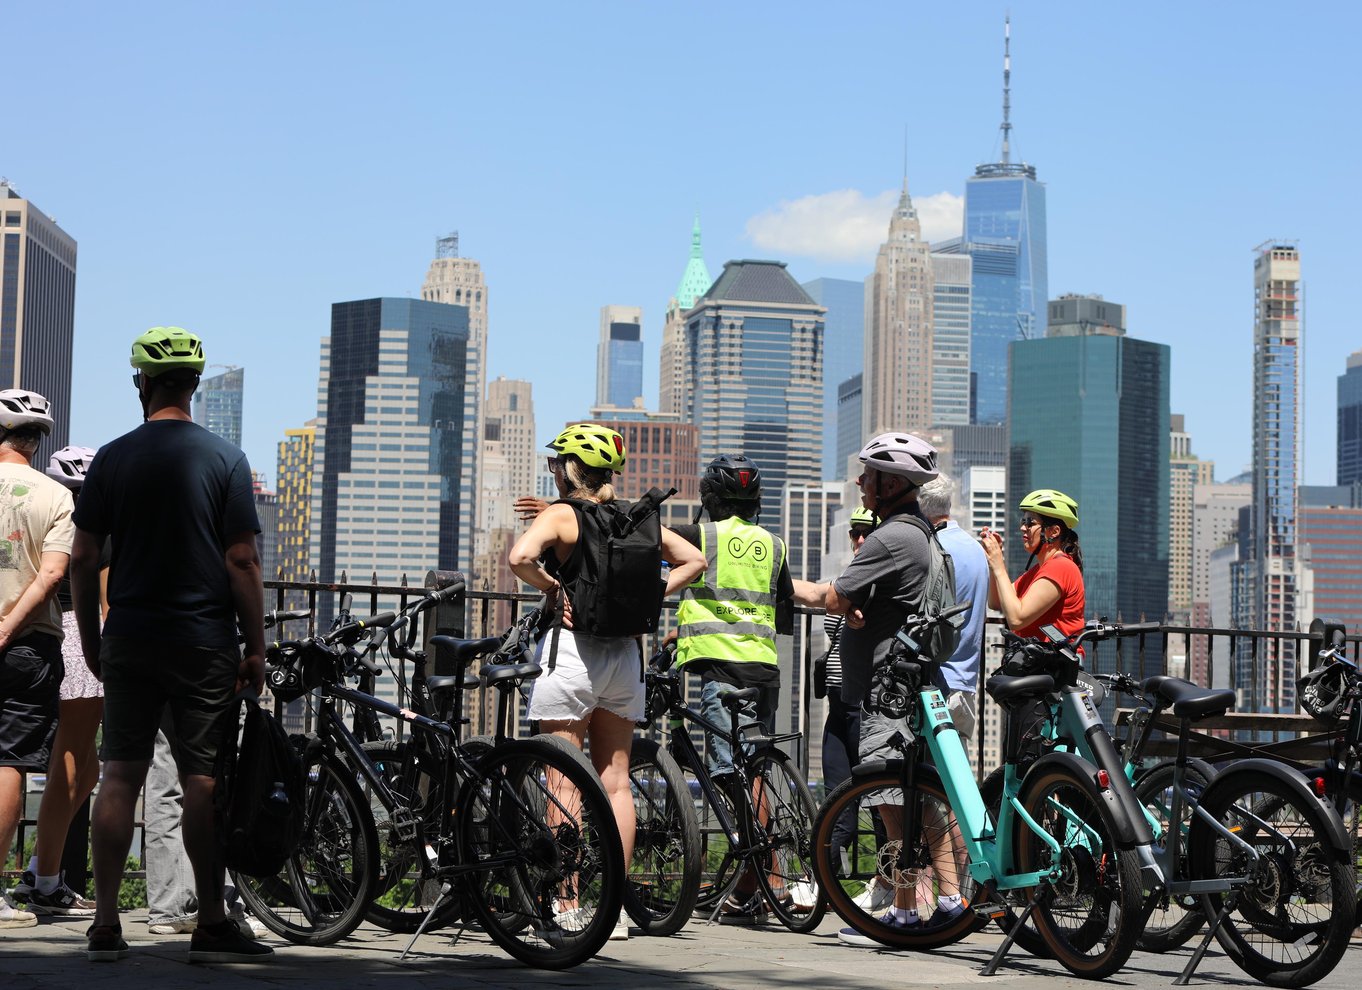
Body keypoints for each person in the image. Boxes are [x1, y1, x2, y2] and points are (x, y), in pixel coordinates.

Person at [71, 326, 271, 963]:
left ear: (143, 384)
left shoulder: (111, 459)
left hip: (129, 634)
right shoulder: (225, 460)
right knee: (202, 783)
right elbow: (242, 559)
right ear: (194, 385)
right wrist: (256, 646)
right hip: (203, 641)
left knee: (120, 775)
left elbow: (82, 559)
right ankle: (211, 919)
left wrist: (92, 638)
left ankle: (105, 922)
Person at [508, 424, 705, 942]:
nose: (551, 470)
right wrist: (653, 590)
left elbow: (518, 559)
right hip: (625, 657)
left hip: (572, 655)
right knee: (616, 781)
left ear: (570, 469)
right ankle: (612, 909)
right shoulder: (636, 517)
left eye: (555, 463)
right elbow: (695, 561)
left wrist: (556, 588)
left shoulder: (562, 516)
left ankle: (568, 905)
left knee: (563, 780)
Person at [814, 432, 967, 944]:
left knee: (892, 807)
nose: (860, 482)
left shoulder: (889, 537)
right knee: (920, 804)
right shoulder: (923, 533)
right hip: (914, 684)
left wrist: (780, 581)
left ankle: (902, 916)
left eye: (868, 475)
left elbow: (832, 595)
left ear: (891, 483)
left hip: (887, 692)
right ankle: (949, 899)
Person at [670, 454, 824, 923]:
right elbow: (778, 609)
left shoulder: (700, 536)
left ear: (710, 499)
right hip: (764, 668)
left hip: (721, 669)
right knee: (753, 769)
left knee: (728, 774)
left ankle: (765, 878)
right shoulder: (774, 545)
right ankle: (757, 881)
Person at [10, 446, 101, 917]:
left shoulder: (37, 508)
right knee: (72, 766)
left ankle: (42, 875)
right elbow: (102, 600)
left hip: (47, 635)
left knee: (84, 770)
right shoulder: (91, 526)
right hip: (80, 640)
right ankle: (43, 880)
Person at [0, 391, 75, 931]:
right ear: (36, 439)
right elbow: (52, 576)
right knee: (7, 763)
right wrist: (7, 625)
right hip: (27, 644)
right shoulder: (56, 496)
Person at [818, 506, 877, 881]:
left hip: (866, 703)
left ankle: (889, 881)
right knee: (835, 796)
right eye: (854, 532)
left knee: (878, 797)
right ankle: (825, 880)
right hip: (837, 703)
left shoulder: (881, 583)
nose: (858, 539)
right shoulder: (847, 578)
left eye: (866, 532)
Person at [916, 472, 988, 752]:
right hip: (966, 684)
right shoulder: (975, 548)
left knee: (925, 781)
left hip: (937, 683)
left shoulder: (934, 548)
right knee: (954, 783)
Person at [979, 488, 1085, 644]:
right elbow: (995, 602)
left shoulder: (1061, 567)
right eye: (1023, 521)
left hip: (1053, 666)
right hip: (1035, 663)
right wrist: (993, 562)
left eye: (1030, 523)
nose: (1023, 527)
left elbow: (1016, 619)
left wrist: (999, 566)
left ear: (1054, 531)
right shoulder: (1039, 570)